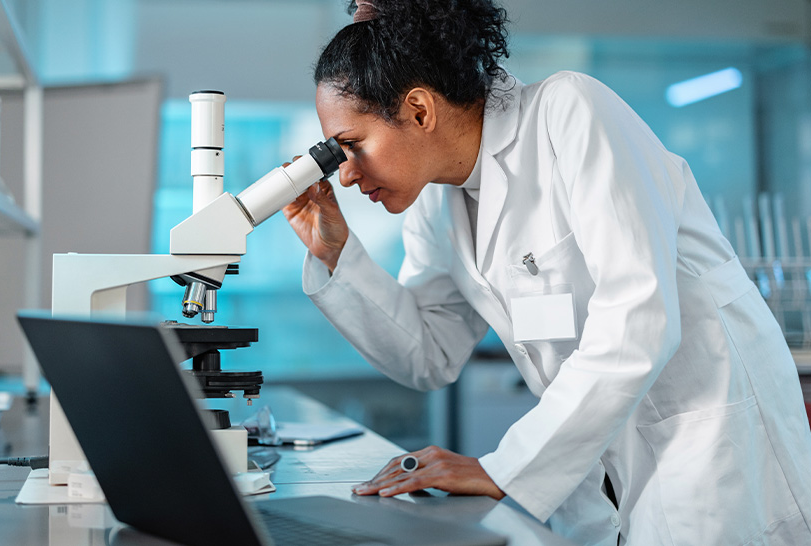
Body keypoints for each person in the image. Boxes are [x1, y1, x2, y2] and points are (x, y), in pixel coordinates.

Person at [282, 0, 811, 544]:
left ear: (419, 110)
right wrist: (334, 252)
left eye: (353, 145)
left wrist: (502, 467)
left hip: (710, 453)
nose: (344, 175)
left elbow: (638, 319)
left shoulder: (571, 112)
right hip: (595, 476)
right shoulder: (435, 201)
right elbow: (428, 354)